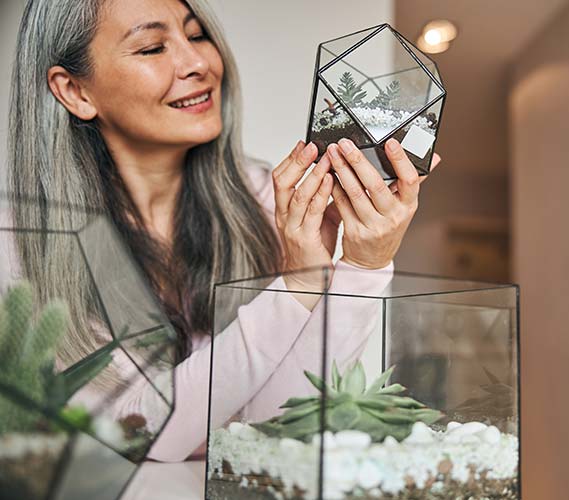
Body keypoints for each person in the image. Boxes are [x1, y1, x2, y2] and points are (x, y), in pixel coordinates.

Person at [6, 0, 439, 461]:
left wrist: (363, 266)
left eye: (196, 35)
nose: (199, 63)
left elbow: (280, 426)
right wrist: (293, 287)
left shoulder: (263, 199)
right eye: (152, 48)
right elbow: (138, 429)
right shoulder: (25, 244)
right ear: (74, 91)